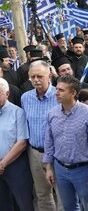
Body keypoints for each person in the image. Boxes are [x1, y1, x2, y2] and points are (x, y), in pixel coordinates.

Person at [43, 75, 88, 211]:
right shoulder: (52, 114)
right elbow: (49, 142)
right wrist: (49, 167)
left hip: (83, 170)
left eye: (61, 90)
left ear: (73, 93)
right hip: (60, 169)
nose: (56, 93)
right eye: (56, 89)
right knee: (69, 207)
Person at [21, 60, 63, 211]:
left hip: (58, 153)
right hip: (35, 153)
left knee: (62, 194)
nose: (36, 80)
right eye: (32, 77)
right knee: (42, 195)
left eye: (39, 76)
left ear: (49, 76)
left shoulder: (59, 96)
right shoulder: (25, 98)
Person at [0, 78, 34, 211]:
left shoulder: (18, 112)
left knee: (23, 204)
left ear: (7, 94)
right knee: (3, 205)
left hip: (16, 166)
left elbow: (21, 143)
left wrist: (3, 164)